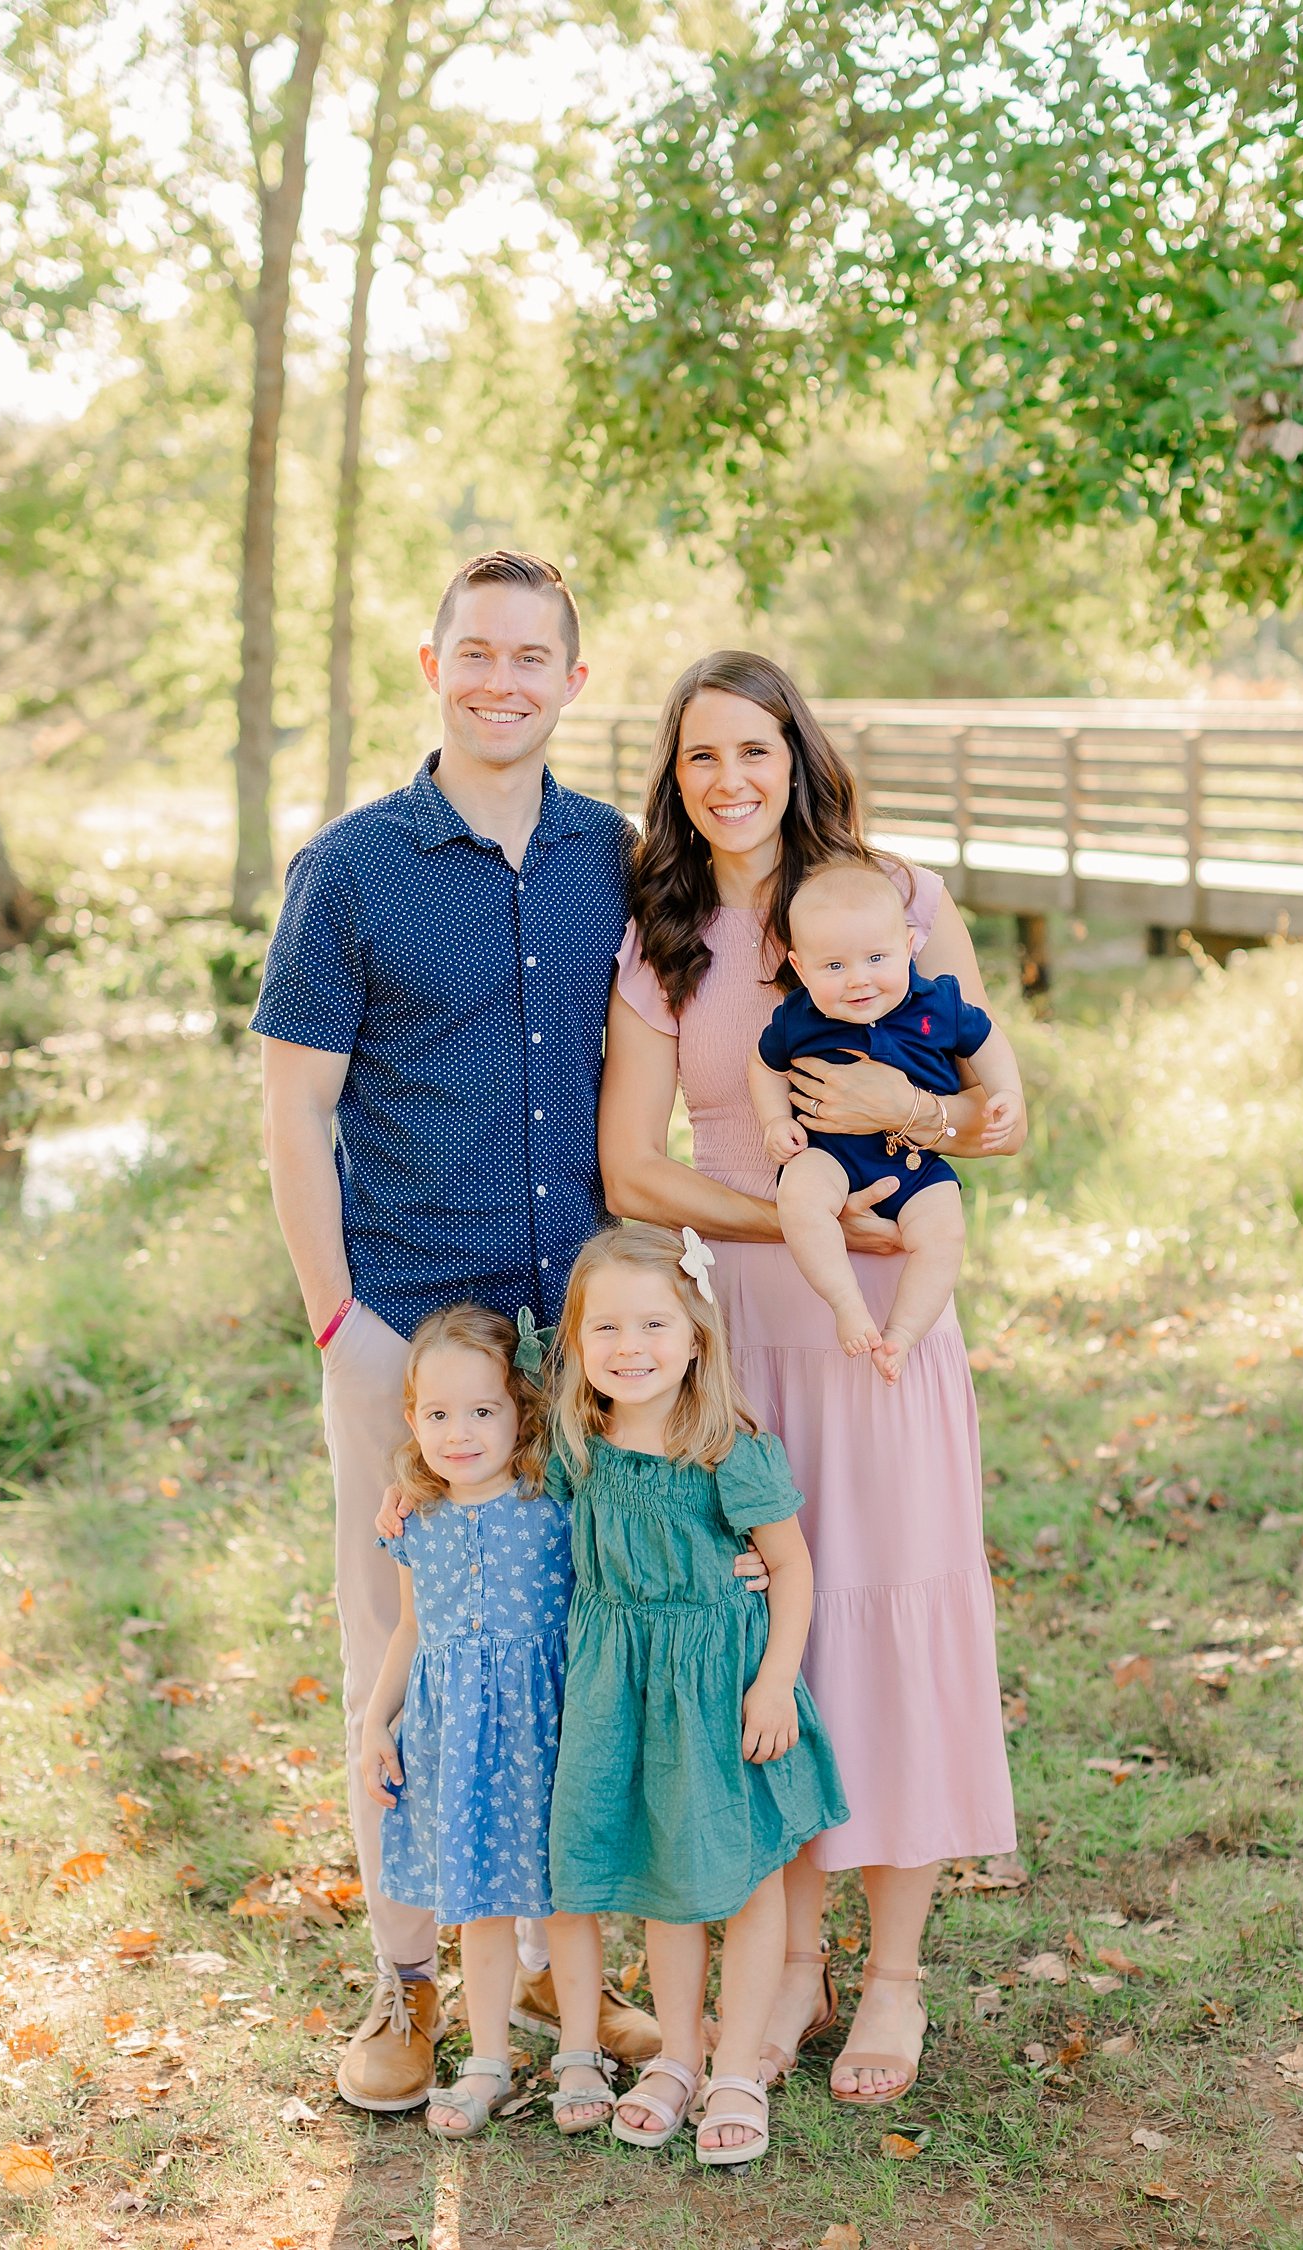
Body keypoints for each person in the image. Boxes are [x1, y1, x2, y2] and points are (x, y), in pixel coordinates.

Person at [250, 550, 660, 2110]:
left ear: (571, 675)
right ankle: (407, 1979)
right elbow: (295, 1107)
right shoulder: (350, 869)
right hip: (410, 1337)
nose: (502, 677)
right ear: (432, 664)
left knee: (572, 1650)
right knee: (404, 1654)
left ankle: (569, 1972)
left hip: (584, 1342)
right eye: (475, 650)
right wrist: (335, 1314)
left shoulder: (610, 857)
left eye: (532, 655)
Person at [599, 649, 1022, 2106]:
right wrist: (781, 1208)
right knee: (775, 1633)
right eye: (702, 755)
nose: (731, 780)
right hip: (753, 1331)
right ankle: (789, 1962)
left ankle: (893, 1967)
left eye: (756, 751)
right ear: (676, 772)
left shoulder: (893, 898)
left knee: (895, 1612)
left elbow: (1003, 1111)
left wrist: (918, 1115)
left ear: (798, 754)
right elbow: (631, 1161)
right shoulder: (663, 935)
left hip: (888, 1319)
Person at [544, 1224, 847, 2164]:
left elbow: (791, 1571)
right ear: (578, 1344)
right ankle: (678, 2055)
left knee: (746, 1876)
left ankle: (740, 2069)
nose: (630, 1349)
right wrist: (405, 1491)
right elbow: (475, 1488)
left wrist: (772, 1683)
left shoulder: (728, 1446)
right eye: (607, 1330)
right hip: (618, 1693)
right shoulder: (577, 1442)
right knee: (664, 1880)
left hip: (719, 1691)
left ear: (696, 1334)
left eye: (653, 1324)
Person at [361, 1303, 614, 2137]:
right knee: (479, 1903)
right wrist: (376, 1722)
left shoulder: (554, 1500)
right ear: (412, 1419)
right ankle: (489, 2061)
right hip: (456, 1741)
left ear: (520, 1414)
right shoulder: (417, 1521)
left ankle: (580, 2051)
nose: (459, 1432)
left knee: (567, 1897)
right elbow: (409, 1629)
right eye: (438, 1414)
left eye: (482, 1411)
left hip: (549, 1728)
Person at [751, 859, 1025, 1383]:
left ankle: (902, 1333)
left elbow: (986, 1039)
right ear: (801, 967)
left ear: (906, 944)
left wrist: (1006, 1091)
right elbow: (763, 1064)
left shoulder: (936, 1002)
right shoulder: (798, 1017)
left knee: (944, 1232)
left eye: (876, 958)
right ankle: (846, 1304)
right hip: (827, 1154)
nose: (858, 980)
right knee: (801, 1199)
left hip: (916, 1163)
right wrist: (773, 1120)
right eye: (833, 967)